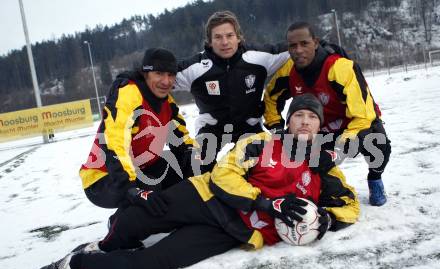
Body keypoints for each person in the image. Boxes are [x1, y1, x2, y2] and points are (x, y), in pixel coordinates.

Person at [34, 94, 359, 269]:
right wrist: (267, 203)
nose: (304, 121)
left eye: (311, 117)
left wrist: (328, 219)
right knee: (134, 221)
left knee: (146, 265)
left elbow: (350, 205)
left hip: (234, 229)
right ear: (288, 122)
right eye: (298, 115)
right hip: (204, 197)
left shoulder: (323, 167)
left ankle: (76, 264)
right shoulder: (260, 143)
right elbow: (223, 176)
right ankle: (103, 244)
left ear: (319, 126)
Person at [263, 21, 391, 206]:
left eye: (304, 43)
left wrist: (337, 152)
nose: (298, 50)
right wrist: (276, 128)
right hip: (319, 128)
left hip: (355, 124)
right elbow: (271, 98)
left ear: (315, 42)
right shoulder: (288, 71)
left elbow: (363, 116)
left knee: (379, 144)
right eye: (293, 45)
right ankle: (307, 188)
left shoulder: (340, 68)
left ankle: (375, 179)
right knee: (297, 154)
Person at [79, 47, 197, 215]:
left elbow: (182, 141)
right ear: (146, 74)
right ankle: (121, 227)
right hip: (104, 179)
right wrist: (132, 189)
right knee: (149, 190)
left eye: (171, 75)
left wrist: (199, 163)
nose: (166, 81)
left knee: (187, 168)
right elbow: (115, 142)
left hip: (140, 169)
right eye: (159, 74)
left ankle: (177, 215)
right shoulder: (130, 93)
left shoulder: (166, 102)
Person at [174, 10, 290, 172]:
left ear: (238, 36)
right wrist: (133, 76)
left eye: (229, 36)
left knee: (261, 170)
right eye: (218, 37)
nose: (225, 42)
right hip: (211, 128)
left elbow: (295, 48)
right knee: (196, 167)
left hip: (249, 127)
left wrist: (324, 48)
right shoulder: (195, 68)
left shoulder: (259, 57)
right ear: (209, 41)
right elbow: (158, 75)